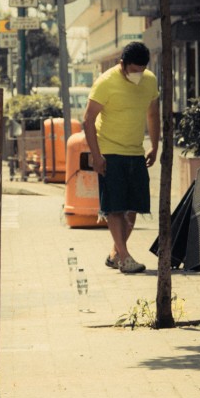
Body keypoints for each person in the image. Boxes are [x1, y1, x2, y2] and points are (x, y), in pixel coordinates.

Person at [82, 41, 160, 275]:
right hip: (110, 152)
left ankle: (116, 253)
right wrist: (96, 156)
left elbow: (153, 113)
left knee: (133, 207)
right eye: (134, 70)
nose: (138, 75)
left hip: (135, 151)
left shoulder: (149, 80)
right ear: (122, 64)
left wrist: (155, 146)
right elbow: (88, 120)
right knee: (114, 208)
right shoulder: (106, 82)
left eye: (142, 70)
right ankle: (125, 258)